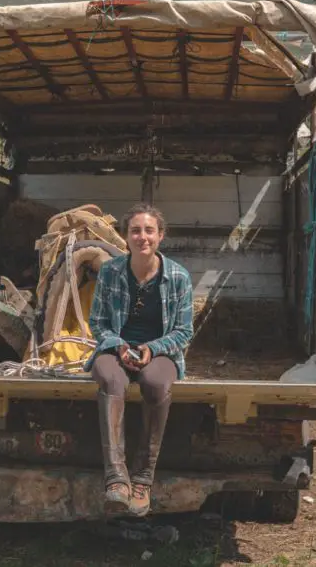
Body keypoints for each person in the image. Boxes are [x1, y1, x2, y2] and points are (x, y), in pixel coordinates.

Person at [84, 203, 193, 517]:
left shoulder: (178, 277)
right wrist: (117, 345)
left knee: (156, 382)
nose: (142, 236)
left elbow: (184, 331)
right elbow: (99, 322)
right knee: (109, 377)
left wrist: (153, 349)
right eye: (135, 230)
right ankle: (116, 478)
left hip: (160, 351)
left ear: (161, 235)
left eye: (149, 230)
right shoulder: (110, 271)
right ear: (125, 236)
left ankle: (143, 479)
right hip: (117, 348)